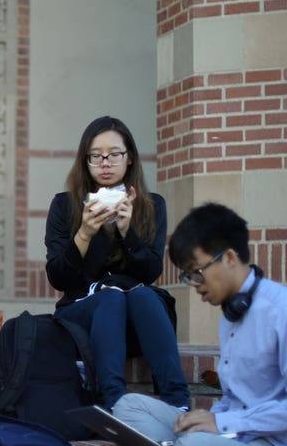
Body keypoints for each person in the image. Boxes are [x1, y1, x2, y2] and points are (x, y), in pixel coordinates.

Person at [109, 203, 287, 446]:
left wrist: (222, 424)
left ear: (229, 258)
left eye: (196, 272)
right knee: (128, 406)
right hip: (232, 441)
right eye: (188, 276)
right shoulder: (230, 314)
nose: (194, 285)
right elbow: (237, 398)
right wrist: (209, 418)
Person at [45, 115, 189, 410]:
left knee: (144, 294)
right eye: (95, 156)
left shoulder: (152, 205)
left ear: (130, 158)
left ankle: (178, 402)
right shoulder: (65, 205)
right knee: (111, 296)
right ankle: (113, 402)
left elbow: (150, 271)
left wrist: (127, 231)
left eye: (114, 155)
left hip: (136, 320)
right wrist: (85, 233)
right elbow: (59, 279)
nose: (105, 163)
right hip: (82, 316)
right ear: (85, 161)